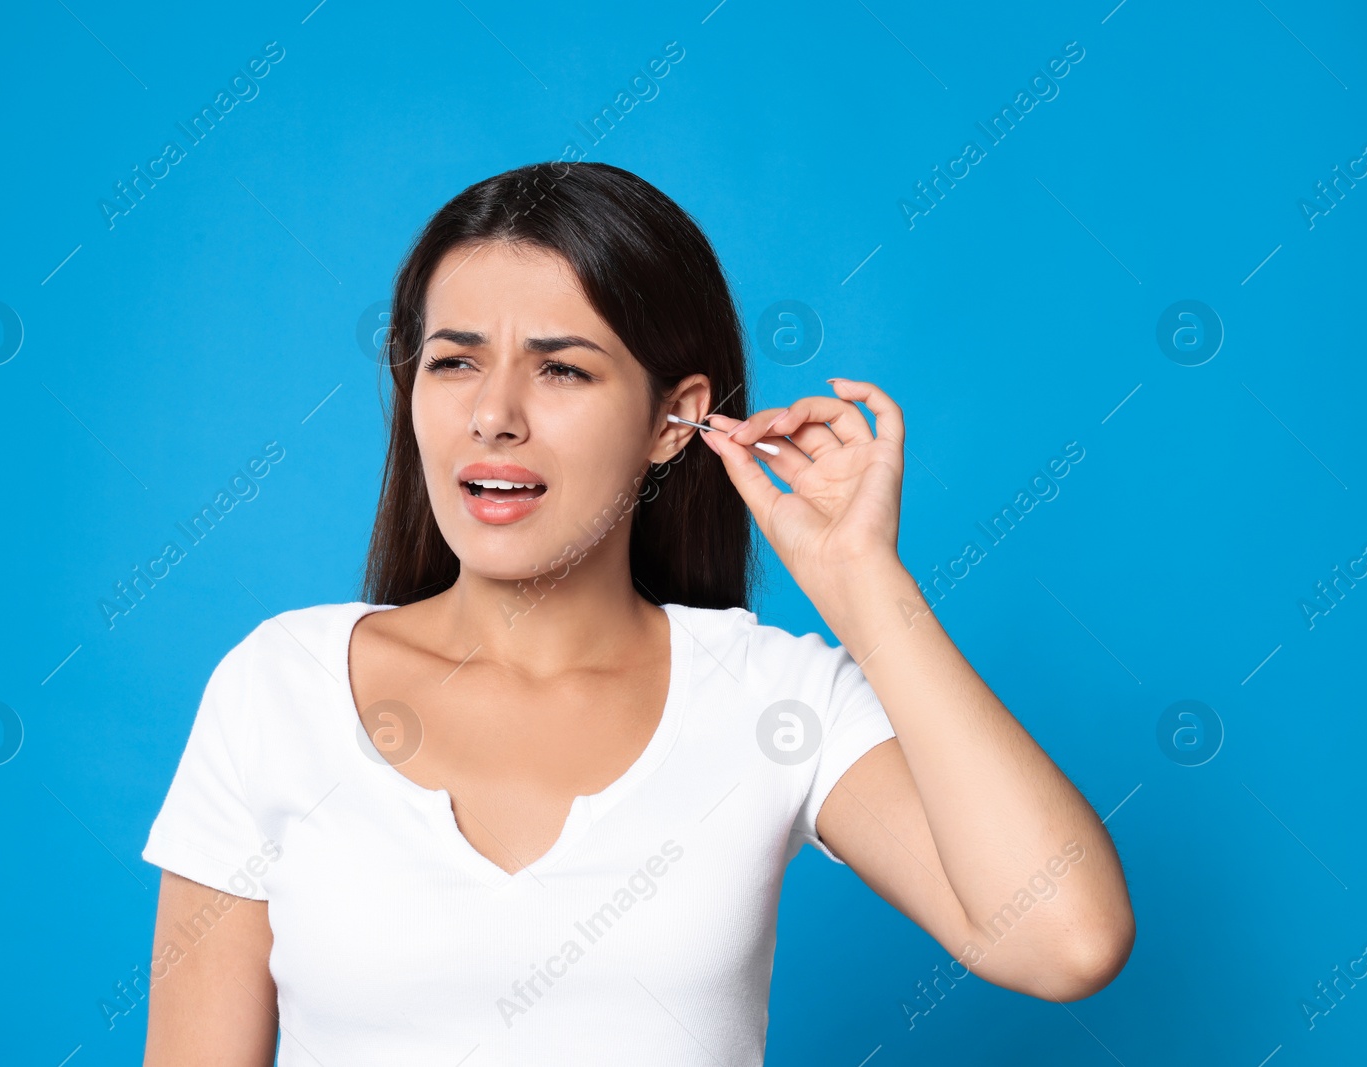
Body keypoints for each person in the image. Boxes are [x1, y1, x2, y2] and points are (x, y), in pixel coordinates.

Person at [138, 161, 1134, 1065]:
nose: (495, 413)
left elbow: (1064, 939)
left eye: (561, 367)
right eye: (453, 361)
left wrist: (863, 585)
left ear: (673, 419)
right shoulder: (279, 686)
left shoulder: (772, 696)